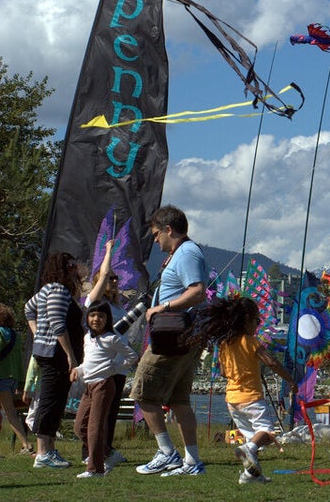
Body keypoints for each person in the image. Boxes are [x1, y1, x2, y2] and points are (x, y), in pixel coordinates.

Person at [131, 205, 208, 476]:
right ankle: (192, 461)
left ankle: (167, 452)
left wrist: (162, 308)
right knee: (179, 400)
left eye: (155, 234)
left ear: (168, 230)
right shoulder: (182, 254)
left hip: (172, 336)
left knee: (142, 392)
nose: (155, 240)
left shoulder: (187, 253)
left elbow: (198, 291)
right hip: (185, 336)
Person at [188, 296, 294, 484]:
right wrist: (291, 380)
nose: (258, 325)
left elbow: (223, 371)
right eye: (257, 321)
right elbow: (272, 362)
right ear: (246, 320)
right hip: (251, 397)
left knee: (251, 438)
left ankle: (252, 475)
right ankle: (249, 452)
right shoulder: (250, 341)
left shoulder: (223, 343)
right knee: (267, 433)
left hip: (232, 399)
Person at [25, 252, 86, 468]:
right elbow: (58, 324)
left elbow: (28, 309)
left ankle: (49, 449)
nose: (75, 269)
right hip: (55, 353)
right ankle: (43, 452)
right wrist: (70, 354)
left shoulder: (46, 290)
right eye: (71, 265)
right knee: (51, 400)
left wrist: (37, 333)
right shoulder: (58, 290)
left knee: (55, 399)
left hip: (48, 351)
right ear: (63, 268)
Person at [70, 300, 138, 478]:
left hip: (104, 386)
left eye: (101, 316)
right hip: (88, 386)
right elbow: (88, 363)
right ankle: (107, 453)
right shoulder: (88, 338)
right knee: (79, 427)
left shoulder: (111, 338)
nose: (96, 319)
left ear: (107, 319)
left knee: (95, 428)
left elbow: (131, 356)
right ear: (87, 318)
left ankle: (95, 469)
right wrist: (77, 370)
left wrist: (113, 368)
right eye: (92, 315)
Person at [83, 240, 131, 468]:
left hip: (118, 365)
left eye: (116, 278)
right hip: (102, 366)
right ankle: (91, 452)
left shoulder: (118, 306)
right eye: (110, 278)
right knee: (94, 415)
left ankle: (107, 449)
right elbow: (102, 276)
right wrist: (109, 251)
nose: (113, 281)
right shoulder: (95, 303)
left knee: (111, 412)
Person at [0, 303, 32, 454]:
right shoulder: (15, 335)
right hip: (12, 378)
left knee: (10, 413)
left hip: (0, 378)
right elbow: (19, 360)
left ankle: (27, 445)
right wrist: (19, 381)